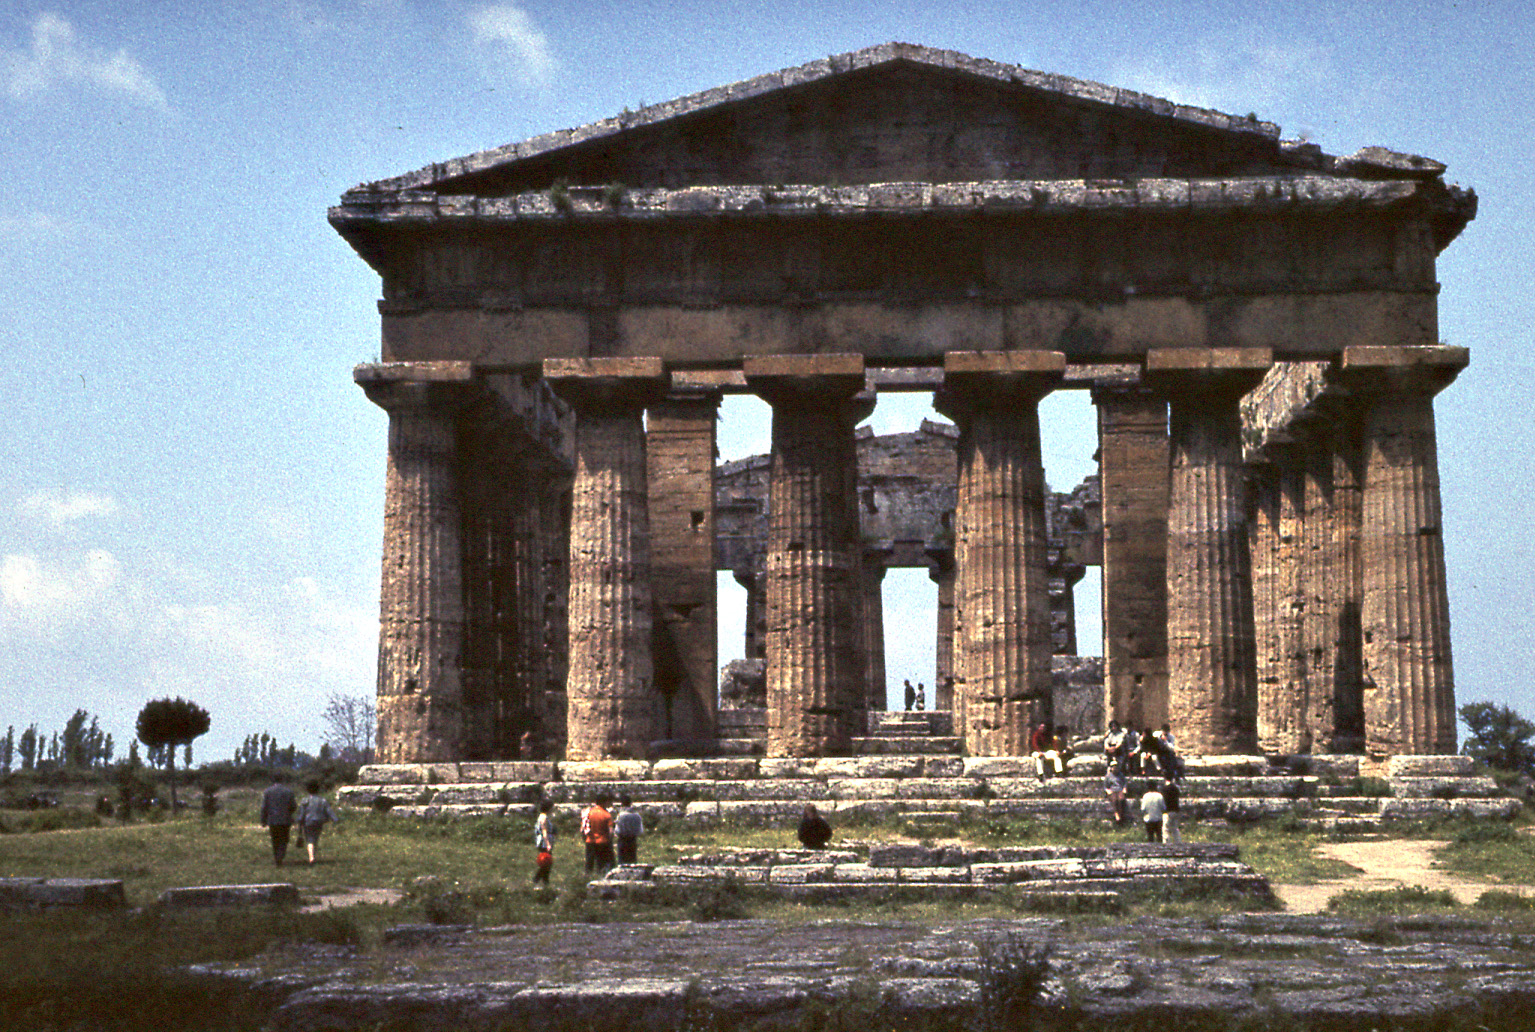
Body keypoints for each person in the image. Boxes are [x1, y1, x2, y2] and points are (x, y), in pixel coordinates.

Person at [297, 780, 342, 865]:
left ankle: (311, 857)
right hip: (319, 822)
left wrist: (299, 821)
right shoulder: (322, 800)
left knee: (309, 839)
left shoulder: (305, 800)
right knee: (315, 839)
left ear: (308, 790)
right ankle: (313, 856)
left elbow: (302, 813)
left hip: (308, 822)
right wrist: (335, 819)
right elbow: (329, 811)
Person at [260, 772, 297, 867]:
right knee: (284, 839)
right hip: (285, 820)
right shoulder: (289, 791)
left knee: (275, 839)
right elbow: (293, 806)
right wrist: (289, 813)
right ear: (282, 780)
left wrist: (263, 820)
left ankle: (277, 857)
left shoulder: (267, 792)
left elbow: (264, 807)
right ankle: (280, 855)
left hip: (272, 819)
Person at [581, 794, 615, 876]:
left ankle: (587, 877)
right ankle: (600, 876)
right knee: (601, 863)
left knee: (589, 863)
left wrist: (584, 839)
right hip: (603, 842)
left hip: (590, 841)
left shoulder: (588, 813)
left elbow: (582, 829)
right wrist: (610, 841)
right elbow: (610, 831)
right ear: (605, 802)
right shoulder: (606, 814)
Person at [614, 794, 644, 865]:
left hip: (623, 840)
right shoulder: (637, 816)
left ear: (622, 804)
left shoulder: (621, 815)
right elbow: (640, 831)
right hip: (633, 840)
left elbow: (617, 831)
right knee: (632, 861)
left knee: (622, 862)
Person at [533, 799, 556, 885]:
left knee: (547, 863)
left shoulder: (543, 816)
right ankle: (537, 879)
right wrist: (548, 844)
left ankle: (545, 881)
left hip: (544, 841)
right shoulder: (544, 817)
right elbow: (544, 831)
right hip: (544, 842)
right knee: (546, 862)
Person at [1104, 762, 1128, 827]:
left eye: (1116, 767)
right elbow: (1105, 786)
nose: (1115, 768)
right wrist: (1108, 791)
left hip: (1120, 790)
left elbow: (1124, 783)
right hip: (1112, 790)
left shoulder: (1121, 775)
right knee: (1114, 800)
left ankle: (1120, 815)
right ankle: (1117, 815)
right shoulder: (1108, 776)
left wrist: (1124, 789)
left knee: (1121, 799)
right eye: (1113, 767)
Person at [1161, 774, 1182, 843]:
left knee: (1165, 829)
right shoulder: (1176, 788)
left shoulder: (1164, 789)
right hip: (1175, 810)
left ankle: (1166, 843)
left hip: (1168, 811)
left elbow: (1164, 800)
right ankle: (1178, 842)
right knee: (1174, 828)